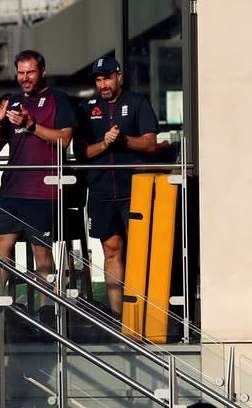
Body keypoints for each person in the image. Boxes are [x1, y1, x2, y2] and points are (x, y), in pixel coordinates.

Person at [0, 50, 76, 299]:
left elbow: (65, 140)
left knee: (42, 254)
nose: (25, 78)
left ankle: (47, 314)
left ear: (43, 72)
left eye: (31, 72)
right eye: (21, 73)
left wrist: (30, 125)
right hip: (11, 190)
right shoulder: (13, 101)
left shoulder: (58, 99)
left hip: (44, 190)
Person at [74, 56, 157, 316]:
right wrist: (106, 144)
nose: (103, 84)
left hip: (135, 189)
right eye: (99, 80)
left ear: (119, 76)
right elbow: (81, 152)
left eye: (107, 78)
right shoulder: (86, 108)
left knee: (139, 252)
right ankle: (117, 316)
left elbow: (151, 143)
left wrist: (123, 140)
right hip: (100, 191)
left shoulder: (137, 102)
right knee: (111, 251)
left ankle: (142, 317)